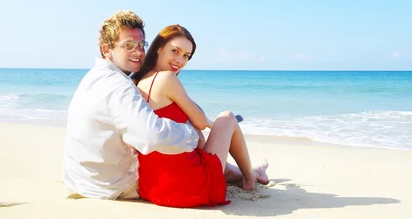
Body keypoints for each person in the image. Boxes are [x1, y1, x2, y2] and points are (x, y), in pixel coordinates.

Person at [63, 11, 199, 200]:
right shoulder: (119, 87)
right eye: (128, 45)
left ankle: (243, 172)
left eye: (141, 44)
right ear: (106, 49)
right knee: (187, 155)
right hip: (112, 187)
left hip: (81, 180)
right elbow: (153, 136)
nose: (138, 52)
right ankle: (246, 173)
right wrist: (190, 133)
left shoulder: (92, 78)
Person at [131, 25, 269, 208]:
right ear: (159, 47)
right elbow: (200, 121)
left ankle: (255, 172)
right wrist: (212, 124)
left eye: (186, 56)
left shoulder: (137, 82)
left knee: (205, 150)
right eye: (175, 51)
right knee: (228, 117)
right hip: (189, 188)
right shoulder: (166, 79)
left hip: (154, 187)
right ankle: (250, 179)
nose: (180, 60)